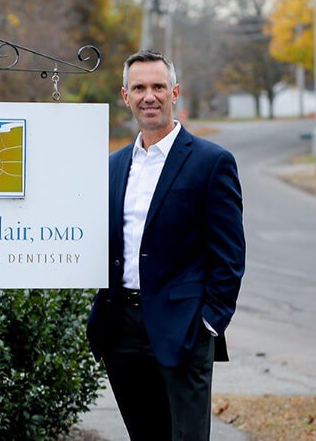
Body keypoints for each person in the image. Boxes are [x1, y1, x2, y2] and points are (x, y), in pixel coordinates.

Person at [86, 50, 245, 440]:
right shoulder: (111, 165)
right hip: (120, 328)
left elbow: (230, 256)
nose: (149, 96)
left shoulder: (212, 162)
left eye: (158, 86)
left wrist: (209, 322)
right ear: (126, 96)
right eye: (139, 88)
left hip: (185, 328)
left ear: (174, 93)